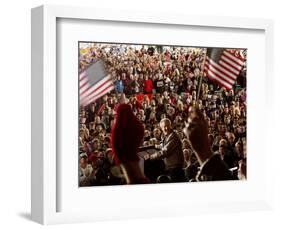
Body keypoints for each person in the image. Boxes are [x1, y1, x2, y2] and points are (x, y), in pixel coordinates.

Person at [145, 118, 185, 182]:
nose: (166, 128)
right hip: (170, 167)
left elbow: (165, 152)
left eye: (167, 126)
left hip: (175, 168)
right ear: (161, 128)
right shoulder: (166, 136)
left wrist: (150, 157)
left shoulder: (173, 136)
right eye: (164, 127)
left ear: (171, 125)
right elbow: (163, 146)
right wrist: (155, 146)